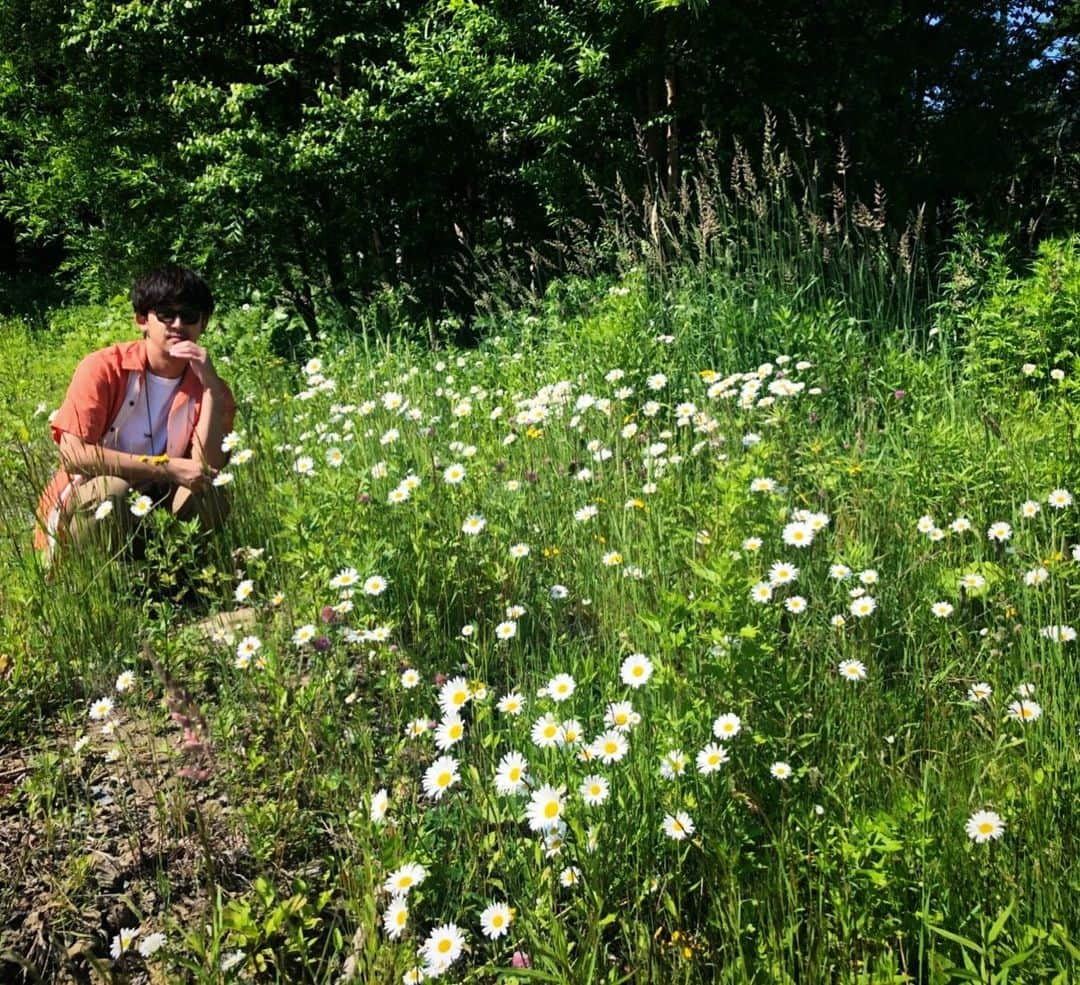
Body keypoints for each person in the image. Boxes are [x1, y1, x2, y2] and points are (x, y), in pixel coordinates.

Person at [35, 265, 236, 563]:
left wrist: (210, 390)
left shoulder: (212, 389)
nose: (178, 324)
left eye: (190, 316)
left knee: (211, 492)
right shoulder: (104, 367)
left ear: (203, 324)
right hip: (92, 499)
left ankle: (176, 573)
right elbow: (73, 455)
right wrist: (163, 467)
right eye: (166, 314)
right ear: (142, 319)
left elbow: (208, 468)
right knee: (111, 490)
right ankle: (96, 581)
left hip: (159, 505)